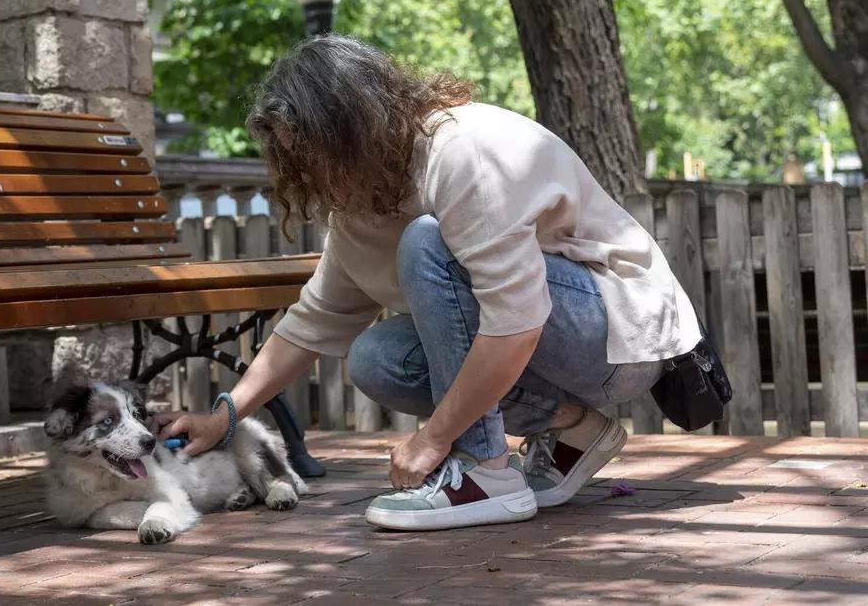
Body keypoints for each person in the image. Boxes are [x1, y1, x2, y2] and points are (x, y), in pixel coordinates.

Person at [153, 35, 701, 531]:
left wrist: (435, 439)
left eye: (313, 151)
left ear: (352, 128)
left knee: (426, 242)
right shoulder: (361, 196)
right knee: (376, 357)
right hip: (553, 338)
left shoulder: (462, 152)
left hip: (621, 335)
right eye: (295, 157)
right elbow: (313, 322)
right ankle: (574, 428)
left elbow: (516, 321)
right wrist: (223, 416)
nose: (307, 172)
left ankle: (487, 474)